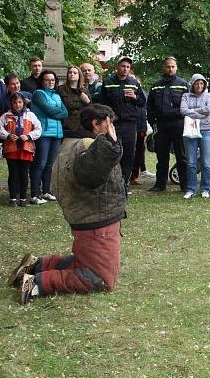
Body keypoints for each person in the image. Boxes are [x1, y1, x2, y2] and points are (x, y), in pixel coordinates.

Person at [9, 104, 126, 305]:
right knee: (99, 278)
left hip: (89, 219)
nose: (112, 127)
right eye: (109, 122)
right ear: (95, 124)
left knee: (86, 262)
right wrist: (110, 146)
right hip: (97, 222)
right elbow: (91, 175)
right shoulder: (89, 146)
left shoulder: (72, 143)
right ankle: (34, 283)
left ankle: (38, 265)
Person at [99, 56, 146, 185]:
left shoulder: (134, 83)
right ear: (117, 67)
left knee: (129, 154)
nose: (125, 69)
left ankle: (125, 182)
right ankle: (112, 181)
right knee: (113, 152)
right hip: (114, 124)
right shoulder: (108, 82)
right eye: (123, 66)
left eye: (128, 67)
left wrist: (135, 97)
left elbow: (143, 102)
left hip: (130, 124)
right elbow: (102, 104)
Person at [147, 56, 189, 192]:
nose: (170, 69)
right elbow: (150, 106)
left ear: (176, 68)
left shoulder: (183, 84)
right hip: (161, 125)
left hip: (178, 124)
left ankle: (185, 185)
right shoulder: (155, 85)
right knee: (162, 156)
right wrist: (152, 122)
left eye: (173, 66)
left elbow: (188, 104)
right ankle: (160, 185)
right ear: (163, 67)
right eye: (167, 66)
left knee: (181, 156)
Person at [29, 70, 68, 205]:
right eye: (47, 80)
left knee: (50, 164)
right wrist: (57, 113)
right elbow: (49, 111)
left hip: (57, 134)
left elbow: (65, 113)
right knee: (40, 163)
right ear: (42, 81)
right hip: (44, 133)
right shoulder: (39, 94)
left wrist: (56, 113)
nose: (50, 82)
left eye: (52, 80)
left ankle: (46, 191)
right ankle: (34, 194)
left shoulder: (57, 95)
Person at [0, 91, 41, 206]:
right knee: (13, 174)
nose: (18, 105)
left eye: (20, 102)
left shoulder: (30, 115)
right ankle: (12, 198)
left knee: (24, 174)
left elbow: (38, 129)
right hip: (11, 150)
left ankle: (23, 198)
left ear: (24, 102)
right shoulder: (6, 116)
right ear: (11, 103)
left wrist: (28, 136)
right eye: (15, 102)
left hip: (26, 149)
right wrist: (7, 135)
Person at [180, 73, 210, 198]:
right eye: (196, 83)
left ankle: (205, 188)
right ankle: (191, 189)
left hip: (206, 130)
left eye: (201, 83)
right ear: (192, 84)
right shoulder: (186, 96)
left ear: (204, 84)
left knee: (205, 162)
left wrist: (192, 111)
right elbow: (183, 111)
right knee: (191, 162)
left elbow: (209, 109)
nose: (199, 85)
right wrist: (200, 111)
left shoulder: (209, 95)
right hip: (190, 131)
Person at [56, 65, 91, 134]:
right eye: (70, 72)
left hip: (81, 123)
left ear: (79, 76)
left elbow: (90, 108)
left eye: (75, 73)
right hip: (66, 123)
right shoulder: (60, 89)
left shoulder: (84, 90)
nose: (72, 74)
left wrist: (87, 101)